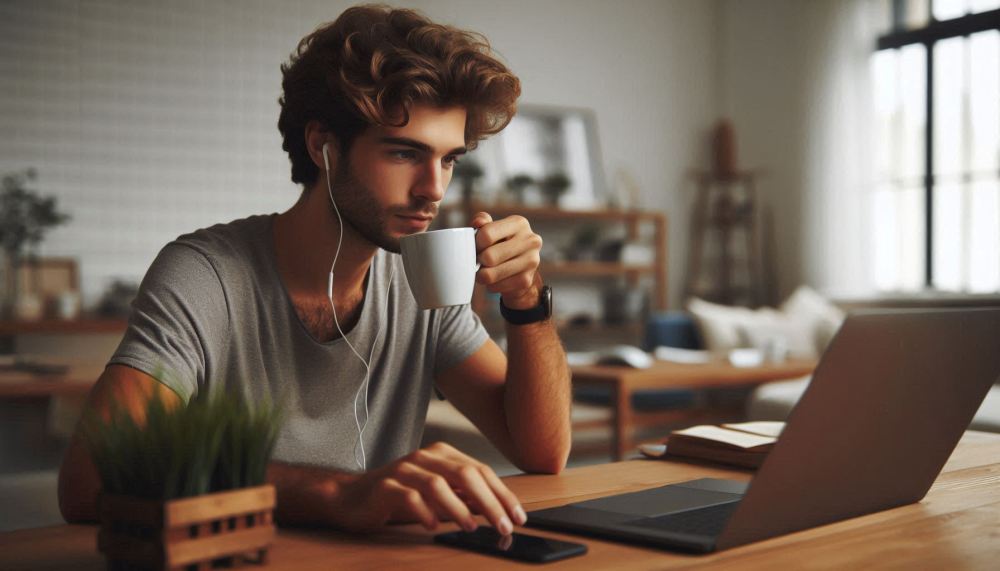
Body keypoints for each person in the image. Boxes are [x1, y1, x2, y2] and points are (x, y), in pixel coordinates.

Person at [57, 5, 571, 537]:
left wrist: (527, 302)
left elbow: (543, 451)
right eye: (404, 153)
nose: (434, 189)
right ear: (322, 145)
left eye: (448, 160)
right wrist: (336, 492)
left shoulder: (416, 282)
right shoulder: (205, 275)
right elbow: (91, 477)